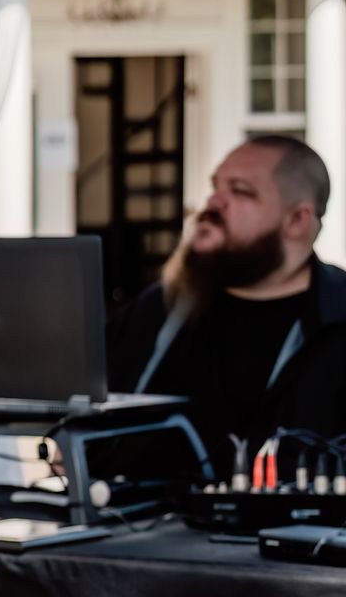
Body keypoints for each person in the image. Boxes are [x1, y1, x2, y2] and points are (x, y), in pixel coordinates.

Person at [110, 134, 346, 466]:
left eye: (240, 191)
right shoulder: (160, 308)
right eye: (215, 187)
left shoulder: (337, 321)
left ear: (296, 221)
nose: (214, 202)